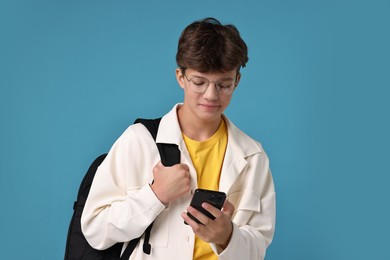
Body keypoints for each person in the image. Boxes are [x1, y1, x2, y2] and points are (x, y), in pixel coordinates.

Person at [81, 17, 276, 260]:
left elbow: (257, 249)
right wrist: (155, 196)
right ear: (180, 77)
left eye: (224, 84)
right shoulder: (140, 141)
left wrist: (227, 236)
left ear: (237, 81)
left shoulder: (253, 157)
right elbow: (95, 229)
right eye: (199, 82)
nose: (211, 95)